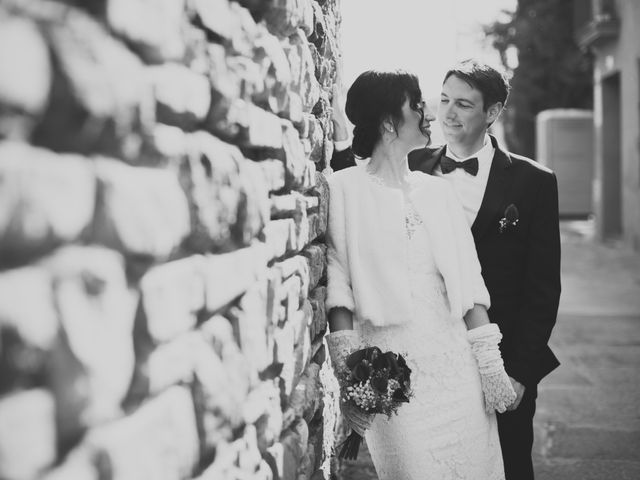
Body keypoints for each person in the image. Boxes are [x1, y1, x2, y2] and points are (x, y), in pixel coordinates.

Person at [332, 60, 562, 480]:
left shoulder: (533, 182)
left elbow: (540, 289)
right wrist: (352, 376)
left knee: (503, 466)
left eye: (463, 104)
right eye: (440, 101)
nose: (443, 114)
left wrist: (513, 372)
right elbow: (361, 166)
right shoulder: (382, 172)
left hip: (486, 357)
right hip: (401, 362)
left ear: (491, 113)